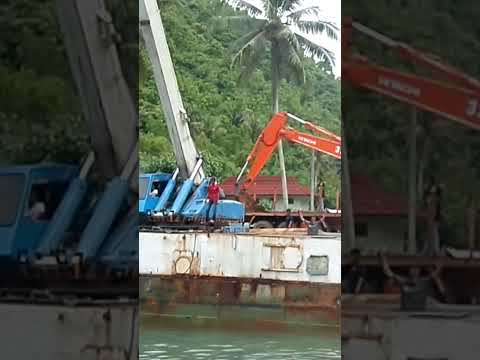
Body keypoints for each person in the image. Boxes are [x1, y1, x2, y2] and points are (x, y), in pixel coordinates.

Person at [380, 252, 446, 311]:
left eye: (416, 268)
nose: (414, 270)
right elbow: (388, 272)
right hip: (406, 314)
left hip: (419, 313)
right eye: (412, 268)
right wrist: (383, 257)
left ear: (419, 270)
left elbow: (436, 273)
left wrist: (442, 258)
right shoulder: (403, 281)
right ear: (409, 270)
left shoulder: (424, 281)